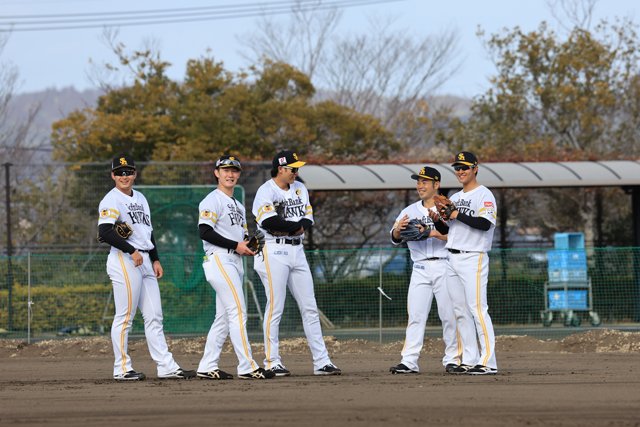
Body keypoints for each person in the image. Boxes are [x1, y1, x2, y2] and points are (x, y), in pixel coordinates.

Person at [98, 155, 196, 381]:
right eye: (120, 172)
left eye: (128, 172)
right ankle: (122, 368)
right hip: (124, 259)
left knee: (155, 316)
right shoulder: (111, 199)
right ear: (113, 175)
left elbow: (148, 231)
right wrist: (131, 250)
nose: (124, 176)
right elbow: (105, 231)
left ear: (134, 174)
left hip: (144, 259)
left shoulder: (141, 197)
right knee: (125, 317)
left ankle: (166, 367)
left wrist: (155, 258)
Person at [252, 150, 341, 376]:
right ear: (280, 169)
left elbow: (308, 218)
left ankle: (322, 361)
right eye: (293, 169)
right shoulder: (265, 191)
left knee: (309, 307)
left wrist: (293, 227)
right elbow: (269, 222)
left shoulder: (300, 188)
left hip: (297, 250)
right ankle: (272, 361)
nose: (296, 172)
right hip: (273, 250)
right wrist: (294, 227)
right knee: (275, 307)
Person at [196, 155, 275, 380]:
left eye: (234, 171)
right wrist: (236, 245)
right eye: (226, 170)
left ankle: (206, 366)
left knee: (223, 317)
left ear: (239, 174)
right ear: (217, 173)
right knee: (238, 312)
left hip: (234, 261)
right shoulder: (212, 200)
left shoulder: (238, 205)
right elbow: (205, 231)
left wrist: (248, 244)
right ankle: (247, 366)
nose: (230, 174)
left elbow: (241, 238)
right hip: (220, 259)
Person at [388, 166, 461, 375]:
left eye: (424, 182)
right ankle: (409, 361)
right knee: (415, 316)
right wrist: (398, 230)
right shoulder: (409, 211)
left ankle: (453, 359)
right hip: (419, 267)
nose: (420, 185)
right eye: (418, 182)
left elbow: (458, 237)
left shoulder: (448, 208)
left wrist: (432, 233)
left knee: (449, 316)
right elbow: (394, 238)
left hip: (445, 264)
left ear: (436, 184)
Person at [436, 151, 498, 375]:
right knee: (460, 311)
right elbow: (449, 228)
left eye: (465, 167)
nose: (460, 171)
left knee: (478, 310)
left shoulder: (484, 194)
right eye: (457, 168)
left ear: (475, 169)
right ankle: (470, 359)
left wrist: (456, 214)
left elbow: (484, 224)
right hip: (452, 256)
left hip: (474, 257)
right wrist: (439, 220)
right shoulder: (456, 196)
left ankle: (488, 362)